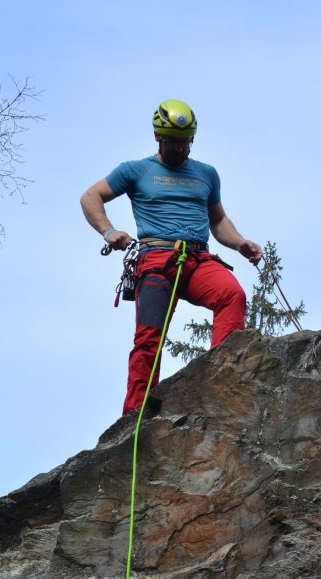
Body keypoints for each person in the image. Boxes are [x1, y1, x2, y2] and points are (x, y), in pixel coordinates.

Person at [80, 99, 262, 414]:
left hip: (198, 260)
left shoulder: (207, 174)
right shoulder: (135, 170)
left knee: (232, 294)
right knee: (149, 336)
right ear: (157, 137)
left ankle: (222, 383)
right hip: (156, 259)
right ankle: (135, 415)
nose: (180, 148)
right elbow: (91, 196)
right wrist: (108, 231)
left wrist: (240, 243)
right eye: (173, 142)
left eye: (185, 142)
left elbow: (217, 220)